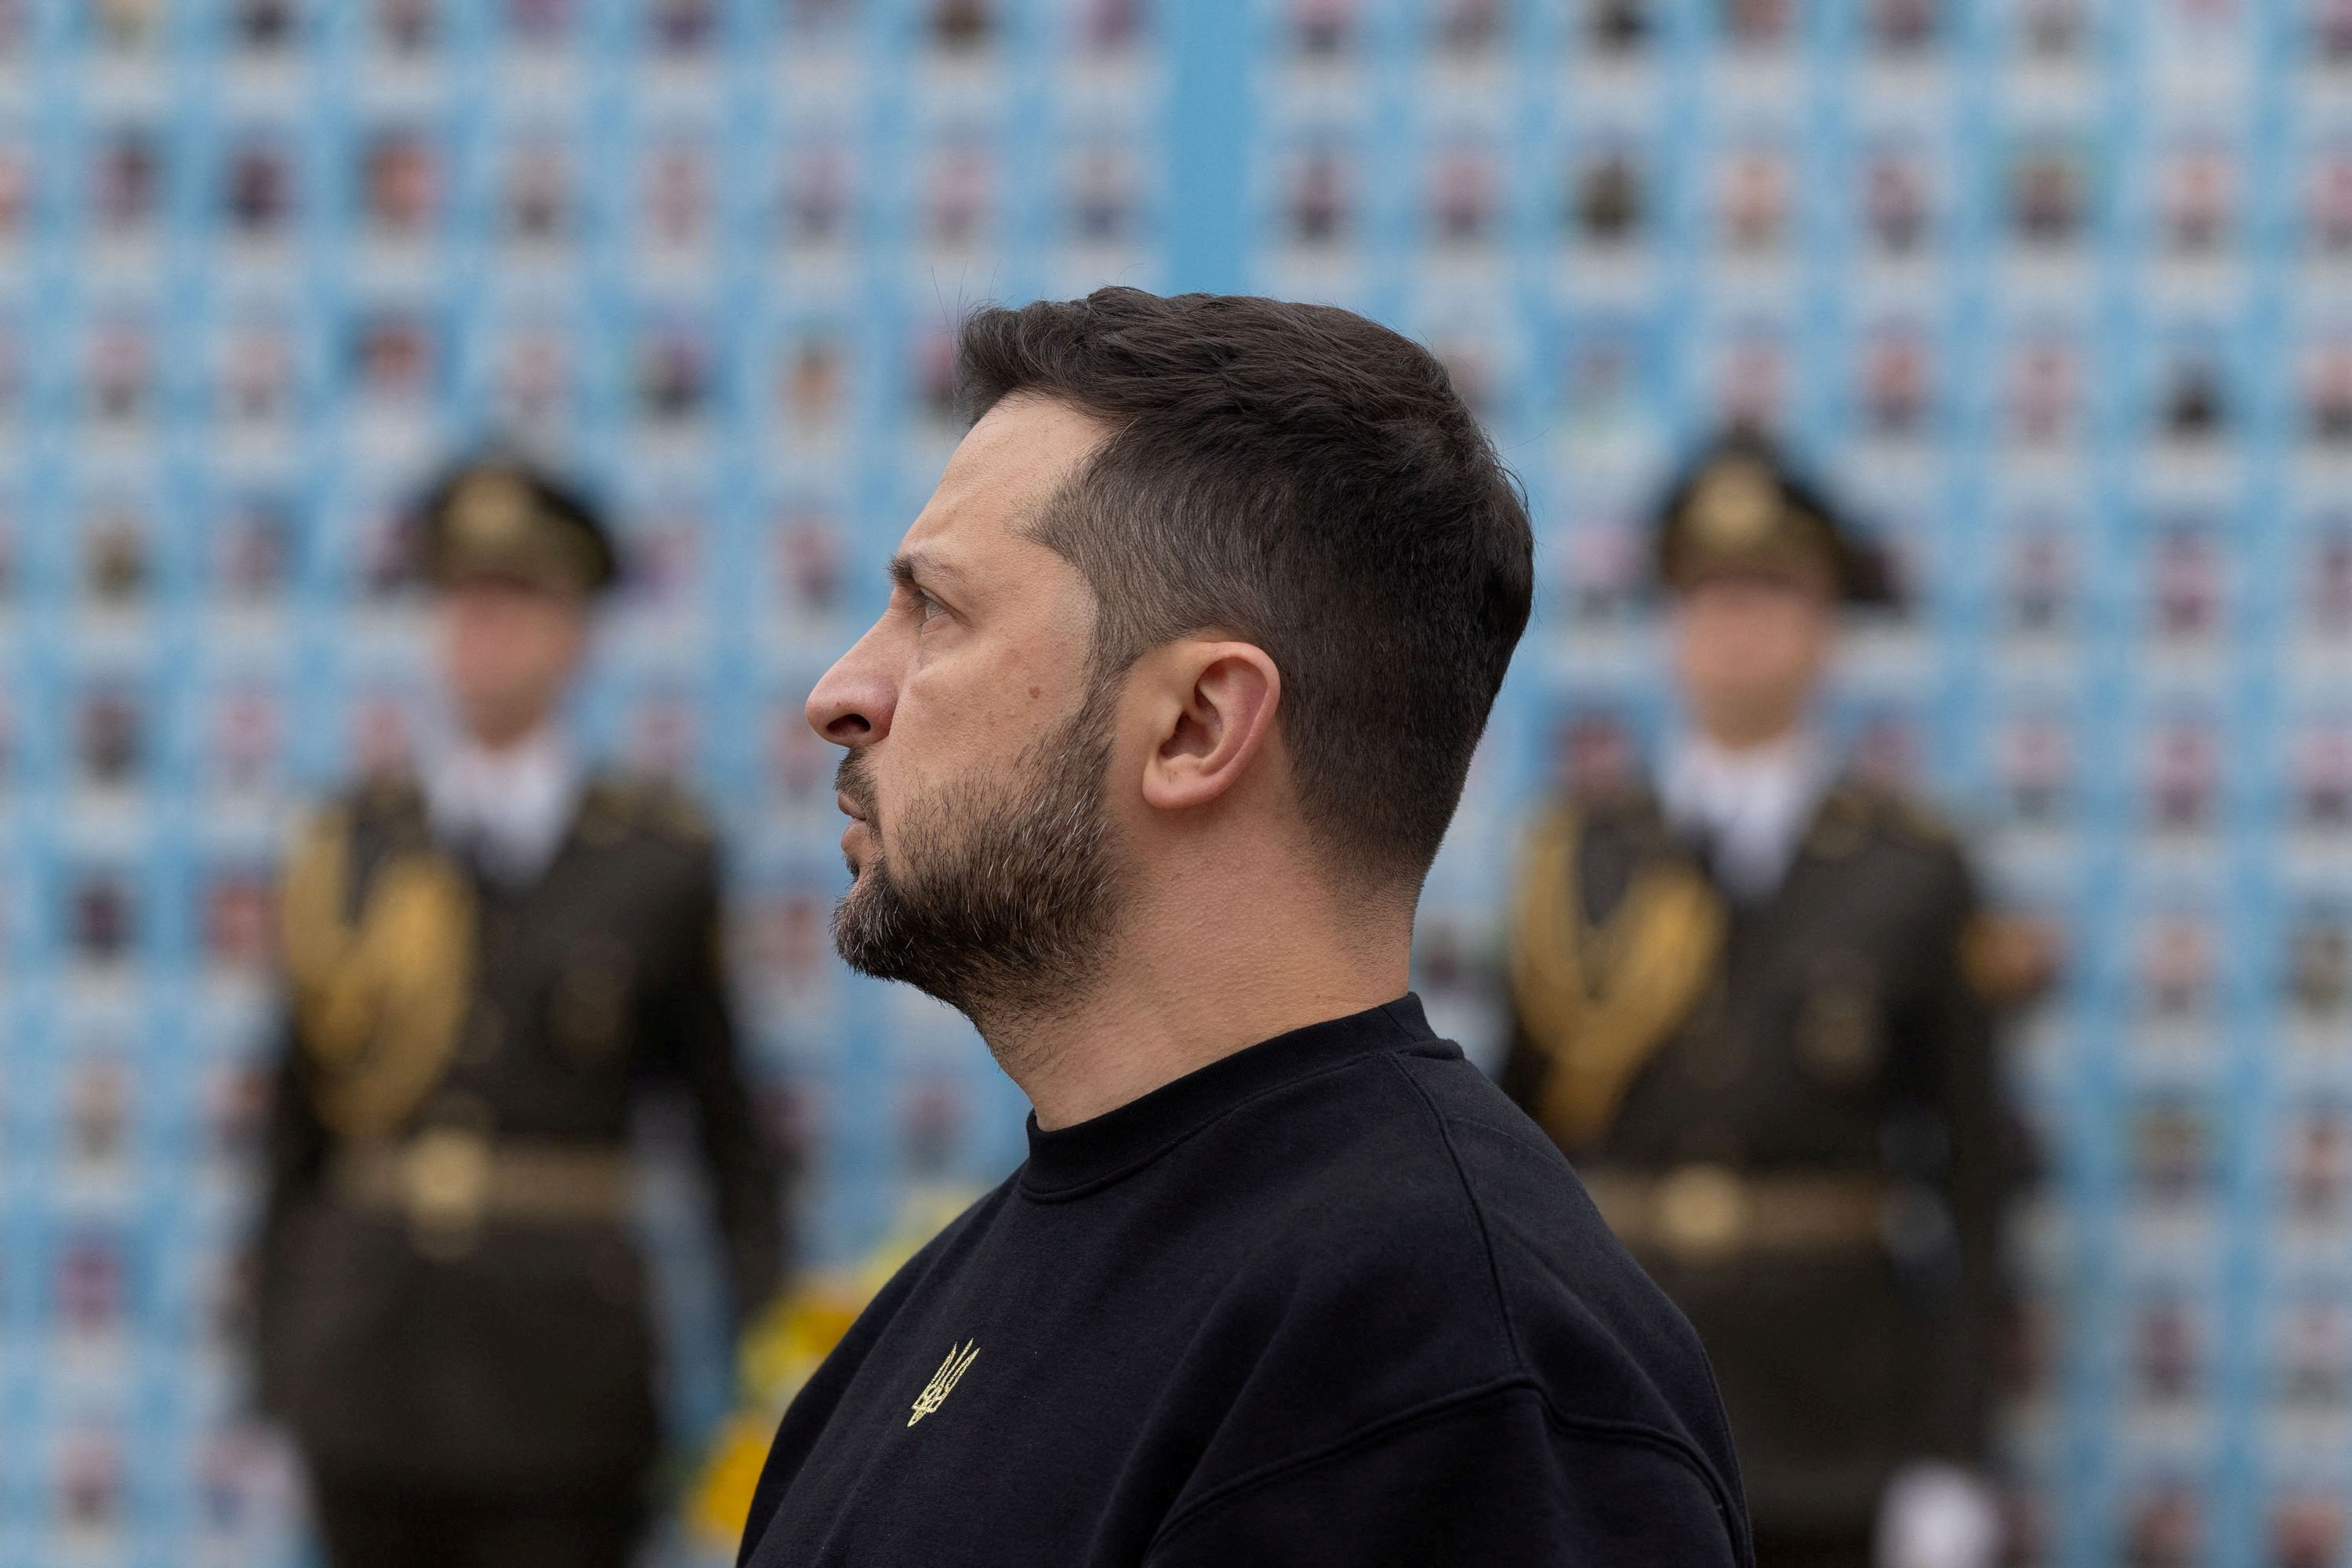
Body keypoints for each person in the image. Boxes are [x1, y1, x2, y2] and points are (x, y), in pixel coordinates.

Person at [735, 288, 1752, 1568]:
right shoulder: (954, 1298)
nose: (843, 694)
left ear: (1198, 726)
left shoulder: (1440, 1365)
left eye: (937, 611)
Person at [1501, 432, 2033, 1568]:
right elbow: (1512, 1163)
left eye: (1773, 593)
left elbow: (1977, 1178)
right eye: (1709, 595)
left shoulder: (1912, 869)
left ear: (1826, 622)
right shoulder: (1578, 858)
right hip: (1615, 1396)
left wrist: (1950, 1455)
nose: (1738, 627)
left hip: (1838, 1417)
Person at [254, 456, 788, 1568]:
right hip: (368, 1367)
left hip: (564, 1384)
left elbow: (725, 1131)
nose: (486, 631)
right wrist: (277, 1353)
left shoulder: (656, 859)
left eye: (522, 602)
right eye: (464, 601)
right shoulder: (350, 844)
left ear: (579, 632)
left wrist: (764, 1351)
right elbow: (292, 1129)